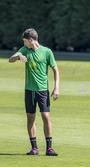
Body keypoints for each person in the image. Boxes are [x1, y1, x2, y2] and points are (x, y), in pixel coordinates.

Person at [9, 28, 60, 156]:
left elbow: (56, 70)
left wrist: (56, 87)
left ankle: (49, 148)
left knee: (46, 117)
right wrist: (18, 56)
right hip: (29, 91)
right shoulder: (25, 50)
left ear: (31, 40)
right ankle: (34, 148)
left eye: (25, 41)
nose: (24, 43)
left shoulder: (47, 52)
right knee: (30, 118)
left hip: (43, 90)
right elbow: (11, 59)